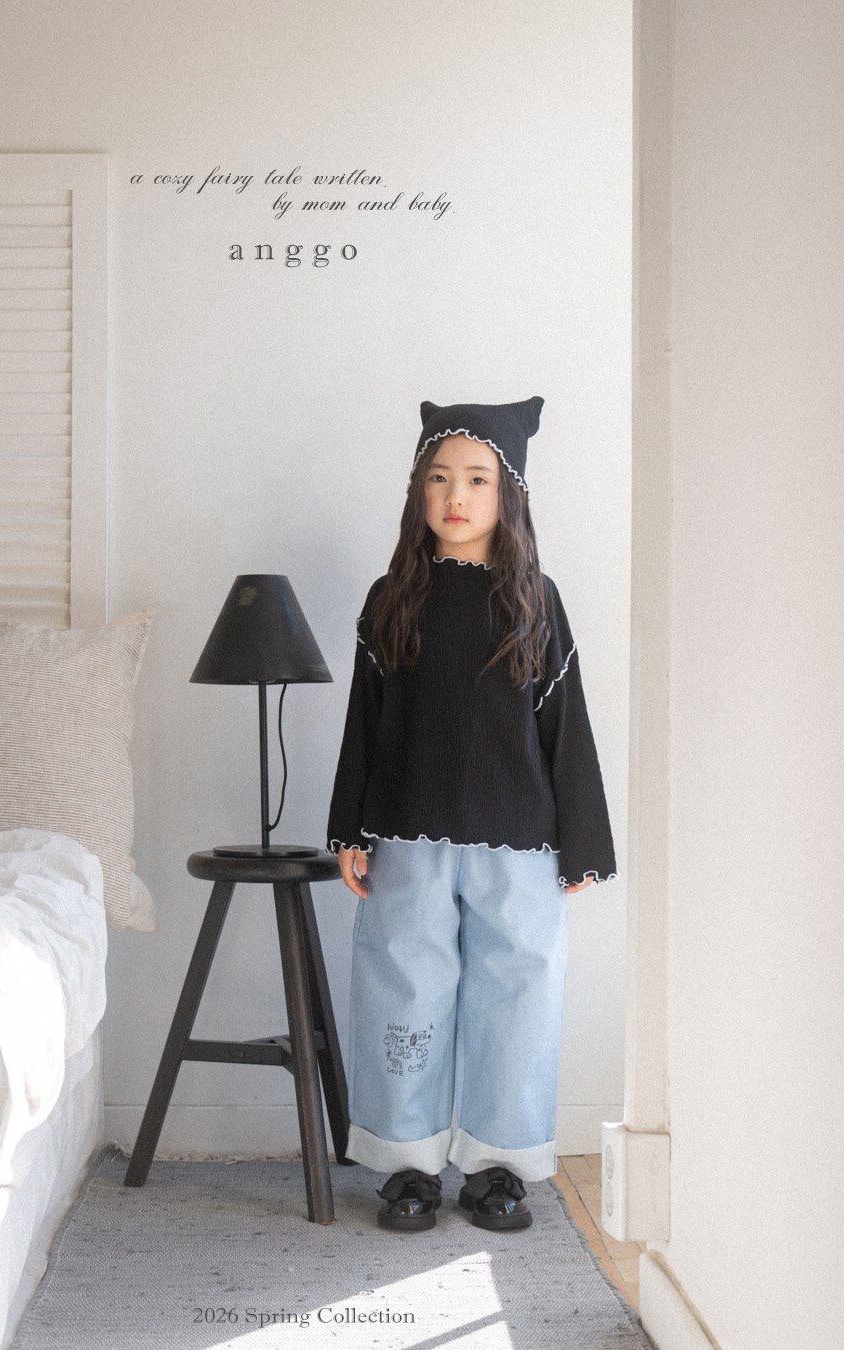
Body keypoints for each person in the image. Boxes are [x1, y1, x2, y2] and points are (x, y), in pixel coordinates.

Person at [326, 397, 617, 1233]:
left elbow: (566, 726)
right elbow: (365, 721)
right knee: (403, 990)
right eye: (439, 478)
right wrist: (349, 827)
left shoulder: (536, 601)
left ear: (509, 491)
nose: (456, 496)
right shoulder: (392, 599)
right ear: (418, 490)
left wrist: (583, 845)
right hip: (406, 835)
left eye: (477, 480)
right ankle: (407, 1163)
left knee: (517, 998)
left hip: (519, 844)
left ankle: (498, 1167)